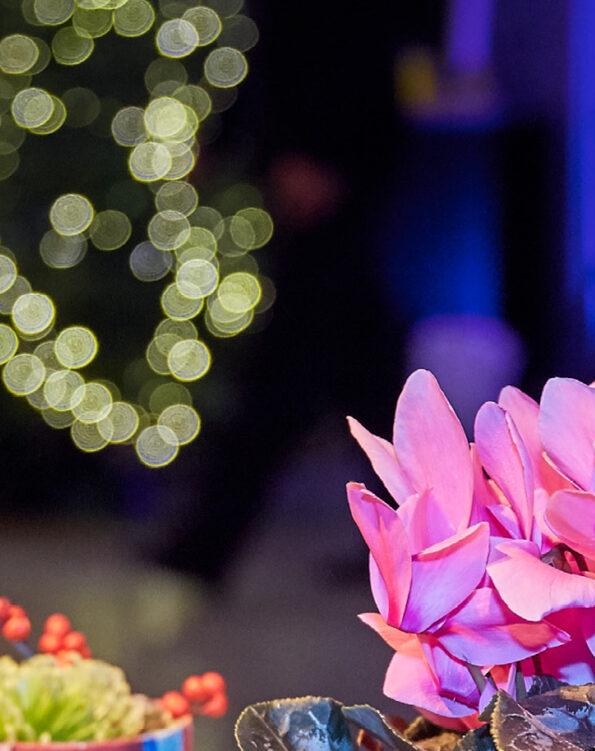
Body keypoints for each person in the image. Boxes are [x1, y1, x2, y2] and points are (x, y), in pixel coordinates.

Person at [153, 0, 427, 586]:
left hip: (336, 190)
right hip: (319, 187)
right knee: (359, 383)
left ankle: (204, 545)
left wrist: (332, 167)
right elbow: (270, 58)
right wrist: (234, 144)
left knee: (291, 382)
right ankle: (421, 543)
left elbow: (360, 69)